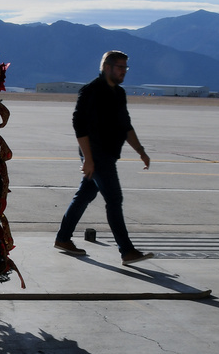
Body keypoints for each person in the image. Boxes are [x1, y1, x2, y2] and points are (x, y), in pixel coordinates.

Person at [55, 50, 153, 265]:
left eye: (126, 68)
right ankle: (127, 251)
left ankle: (63, 238)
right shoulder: (91, 91)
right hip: (96, 154)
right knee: (114, 199)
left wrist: (141, 151)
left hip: (107, 154)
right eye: (120, 67)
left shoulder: (119, 94)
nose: (124, 72)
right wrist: (88, 159)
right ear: (107, 67)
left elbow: (125, 126)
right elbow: (78, 124)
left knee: (84, 195)